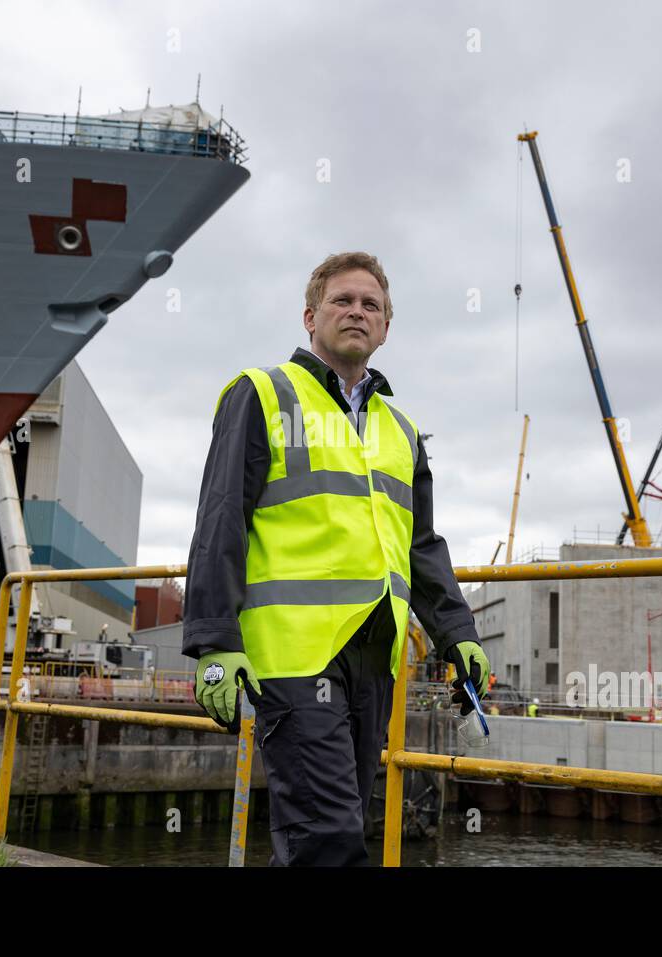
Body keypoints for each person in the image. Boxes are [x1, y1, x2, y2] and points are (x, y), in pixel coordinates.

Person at [183, 252, 490, 866]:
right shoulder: (265, 394)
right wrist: (214, 642)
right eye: (342, 301)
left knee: (326, 829)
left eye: (370, 304)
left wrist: (458, 634)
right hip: (295, 654)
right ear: (309, 316)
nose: (357, 312)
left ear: (385, 326)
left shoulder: (399, 429)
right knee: (328, 836)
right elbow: (222, 518)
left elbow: (420, 544)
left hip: (375, 653)